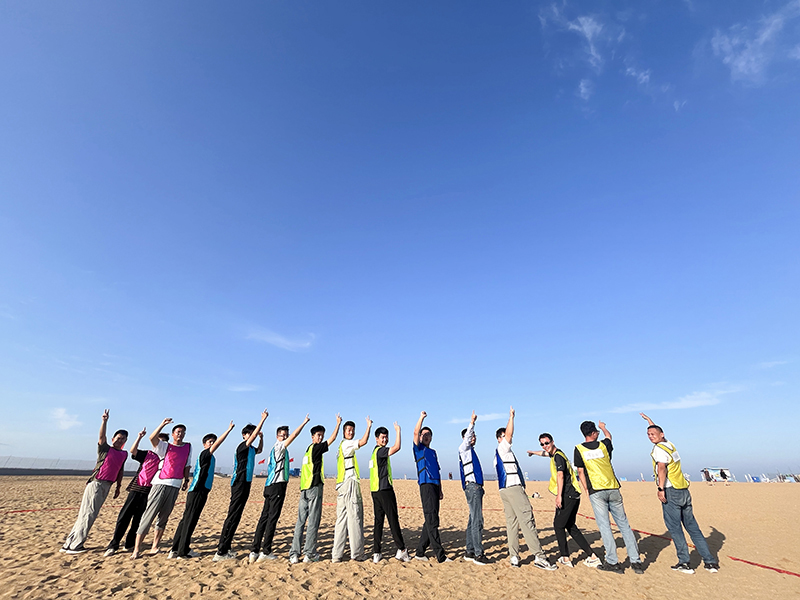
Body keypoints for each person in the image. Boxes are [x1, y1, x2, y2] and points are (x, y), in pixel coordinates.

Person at [640, 413, 720, 574]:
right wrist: (649, 421)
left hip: (671, 490)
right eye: (648, 434)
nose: (650, 436)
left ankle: (684, 562)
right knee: (692, 527)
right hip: (683, 489)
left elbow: (661, 468)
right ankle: (710, 562)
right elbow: (657, 431)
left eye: (653, 434)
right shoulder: (669, 444)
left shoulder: (659, 449)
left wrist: (661, 489)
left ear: (661, 434)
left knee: (675, 528)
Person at [574, 420, 644, 574]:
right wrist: (604, 428)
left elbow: (580, 471)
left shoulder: (579, 449)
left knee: (605, 526)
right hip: (612, 487)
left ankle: (612, 562)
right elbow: (609, 437)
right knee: (624, 525)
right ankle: (635, 561)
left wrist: (586, 489)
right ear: (594, 433)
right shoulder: (603, 445)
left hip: (596, 490)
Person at [494, 407, 555, 570]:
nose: (507, 438)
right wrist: (511, 417)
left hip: (505, 490)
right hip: (513, 489)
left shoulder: (503, 453)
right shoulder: (502, 448)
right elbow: (509, 435)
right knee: (527, 520)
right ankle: (539, 556)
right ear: (499, 439)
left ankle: (514, 556)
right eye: (503, 436)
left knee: (512, 523)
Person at [528, 433, 601, 568]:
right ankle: (592, 556)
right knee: (570, 526)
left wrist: (559, 496)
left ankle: (565, 557)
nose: (545, 446)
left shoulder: (558, 457)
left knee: (558, 525)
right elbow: (545, 453)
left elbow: (560, 475)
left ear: (552, 442)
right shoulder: (556, 454)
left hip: (567, 495)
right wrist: (533, 452)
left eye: (547, 443)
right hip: (574, 495)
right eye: (542, 444)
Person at [61, 410, 128, 554]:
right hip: (97, 483)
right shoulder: (105, 449)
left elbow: (120, 470)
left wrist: (118, 486)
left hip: (108, 484)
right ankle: (76, 545)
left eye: (123, 439)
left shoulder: (124, 454)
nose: (120, 440)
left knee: (86, 514)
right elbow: (101, 436)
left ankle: (69, 543)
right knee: (88, 514)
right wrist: (104, 421)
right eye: (118, 438)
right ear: (113, 439)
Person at [168, 421, 235, 559]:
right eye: (210, 442)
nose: (212, 444)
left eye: (213, 442)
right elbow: (218, 444)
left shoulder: (210, 457)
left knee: (187, 519)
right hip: (198, 490)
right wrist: (228, 431)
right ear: (204, 444)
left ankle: (176, 549)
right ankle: (182, 551)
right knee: (189, 520)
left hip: (200, 491)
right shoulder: (205, 454)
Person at [249, 414, 310, 563]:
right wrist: (304, 423)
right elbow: (295, 435)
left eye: (286, 435)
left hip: (270, 485)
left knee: (264, 518)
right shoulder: (279, 447)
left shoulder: (273, 450)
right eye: (282, 435)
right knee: (271, 519)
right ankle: (265, 551)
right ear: (277, 436)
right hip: (276, 486)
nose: (285, 437)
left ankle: (254, 550)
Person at [213, 409, 269, 562]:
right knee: (232, 515)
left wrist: (262, 438)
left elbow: (260, 450)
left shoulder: (251, 449)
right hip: (239, 482)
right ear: (244, 435)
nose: (252, 436)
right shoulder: (242, 446)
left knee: (237, 515)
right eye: (249, 434)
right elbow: (252, 439)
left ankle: (226, 547)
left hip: (247, 483)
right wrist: (262, 420)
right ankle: (221, 551)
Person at [132, 418, 192, 559]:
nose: (180, 434)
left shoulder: (188, 447)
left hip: (175, 485)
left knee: (164, 517)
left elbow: (187, 465)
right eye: (178, 432)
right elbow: (152, 438)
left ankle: (155, 546)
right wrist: (162, 424)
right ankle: (136, 549)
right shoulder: (165, 446)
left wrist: (186, 480)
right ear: (173, 434)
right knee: (149, 515)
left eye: (183, 432)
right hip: (160, 483)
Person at [104, 430, 169, 556]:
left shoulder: (165, 459)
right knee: (124, 517)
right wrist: (139, 437)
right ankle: (114, 544)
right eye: (159, 441)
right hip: (136, 488)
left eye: (164, 442)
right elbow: (133, 451)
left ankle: (130, 543)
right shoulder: (147, 454)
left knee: (138, 520)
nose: (160, 444)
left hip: (150, 492)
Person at [289, 414, 342, 563]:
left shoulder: (307, 450)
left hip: (304, 488)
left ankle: (294, 553)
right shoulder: (316, 448)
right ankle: (309, 553)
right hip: (313, 488)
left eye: (322, 435)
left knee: (301, 521)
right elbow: (332, 439)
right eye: (318, 435)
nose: (321, 438)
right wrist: (338, 424)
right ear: (313, 437)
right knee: (313, 521)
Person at [331, 416, 372, 563]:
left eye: (352, 430)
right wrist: (368, 427)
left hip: (341, 484)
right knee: (355, 517)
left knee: (341, 520)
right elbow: (363, 441)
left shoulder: (340, 446)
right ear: (344, 432)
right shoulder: (347, 444)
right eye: (348, 430)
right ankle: (357, 553)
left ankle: (336, 554)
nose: (351, 432)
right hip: (349, 483)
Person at [370, 422, 410, 563]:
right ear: (377, 438)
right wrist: (398, 431)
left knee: (378, 522)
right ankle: (402, 550)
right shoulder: (380, 451)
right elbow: (396, 447)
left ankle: (377, 552)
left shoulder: (374, 452)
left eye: (386, 437)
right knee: (393, 520)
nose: (385, 440)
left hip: (376, 491)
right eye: (382, 437)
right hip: (384, 490)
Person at [412, 411, 449, 563]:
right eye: (424, 434)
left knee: (431, 519)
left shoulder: (433, 452)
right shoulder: (418, 449)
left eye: (428, 435)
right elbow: (415, 432)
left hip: (435, 486)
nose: (426, 436)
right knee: (432, 520)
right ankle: (440, 555)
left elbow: (437, 472)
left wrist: (440, 489)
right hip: (426, 485)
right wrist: (421, 418)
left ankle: (420, 552)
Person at [458, 411, 488, 565]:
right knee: (477, 521)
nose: (473, 437)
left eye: (475, 435)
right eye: (471, 436)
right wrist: (472, 422)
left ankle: (469, 550)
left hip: (475, 487)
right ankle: (478, 553)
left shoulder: (470, 451)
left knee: (472, 520)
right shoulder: (464, 448)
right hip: (472, 487)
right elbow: (468, 436)